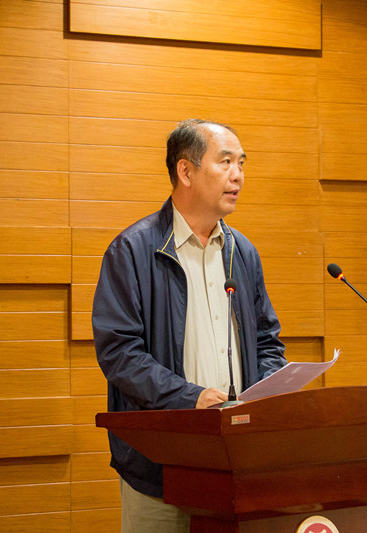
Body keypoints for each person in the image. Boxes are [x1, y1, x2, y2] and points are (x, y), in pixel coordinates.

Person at [92, 119, 287, 532]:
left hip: (236, 462)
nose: (238, 175)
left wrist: (266, 393)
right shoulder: (133, 250)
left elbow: (267, 341)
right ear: (186, 171)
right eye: (226, 162)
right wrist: (190, 398)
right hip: (161, 466)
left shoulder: (242, 252)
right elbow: (120, 353)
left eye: (242, 163)